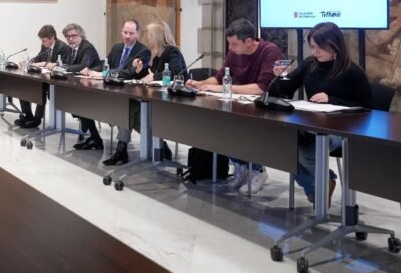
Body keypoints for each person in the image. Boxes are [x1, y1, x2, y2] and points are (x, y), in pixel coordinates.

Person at [271, 22, 372, 205]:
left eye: (319, 47)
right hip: (312, 124)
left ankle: (320, 188)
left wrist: (332, 99)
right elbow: (285, 90)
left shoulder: (352, 71)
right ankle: (322, 184)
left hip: (342, 129)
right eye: (312, 47)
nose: (314, 52)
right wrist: (281, 77)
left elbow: (367, 108)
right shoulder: (310, 64)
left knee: (306, 154)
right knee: (284, 149)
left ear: (334, 45)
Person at [186, 18, 282, 194]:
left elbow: (261, 88)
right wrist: (201, 84)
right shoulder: (234, 52)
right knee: (220, 124)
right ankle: (241, 168)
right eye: (229, 43)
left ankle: (257, 171)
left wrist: (223, 88)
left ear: (249, 41)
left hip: (266, 108)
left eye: (234, 44)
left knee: (241, 128)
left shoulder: (270, 51)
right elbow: (219, 77)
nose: (230, 48)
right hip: (242, 103)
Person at [104, 21, 185, 165]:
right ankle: (154, 145)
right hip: (157, 97)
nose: (148, 38)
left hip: (172, 100)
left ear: (158, 36)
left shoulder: (172, 51)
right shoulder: (158, 55)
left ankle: (123, 150)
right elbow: (149, 74)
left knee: (129, 109)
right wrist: (140, 70)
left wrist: (153, 76)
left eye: (151, 35)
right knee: (129, 109)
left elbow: (176, 72)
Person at [14, 24, 70, 128]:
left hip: (57, 82)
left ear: (52, 37)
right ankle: (28, 116)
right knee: (23, 85)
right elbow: (38, 58)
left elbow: (64, 66)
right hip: (44, 78)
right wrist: (30, 63)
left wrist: (46, 64)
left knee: (41, 89)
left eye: (44, 41)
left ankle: (37, 119)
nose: (42, 43)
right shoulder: (44, 46)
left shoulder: (62, 47)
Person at [61, 23, 103, 150]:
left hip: (94, 87)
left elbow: (83, 66)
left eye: (73, 36)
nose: (70, 39)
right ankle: (89, 130)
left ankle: (94, 136)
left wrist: (63, 68)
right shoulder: (70, 48)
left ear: (81, 36)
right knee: (68, 98)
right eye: (68, 37)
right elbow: (64, 63)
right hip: (79, 85)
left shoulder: (87, 47)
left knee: (80, 102)